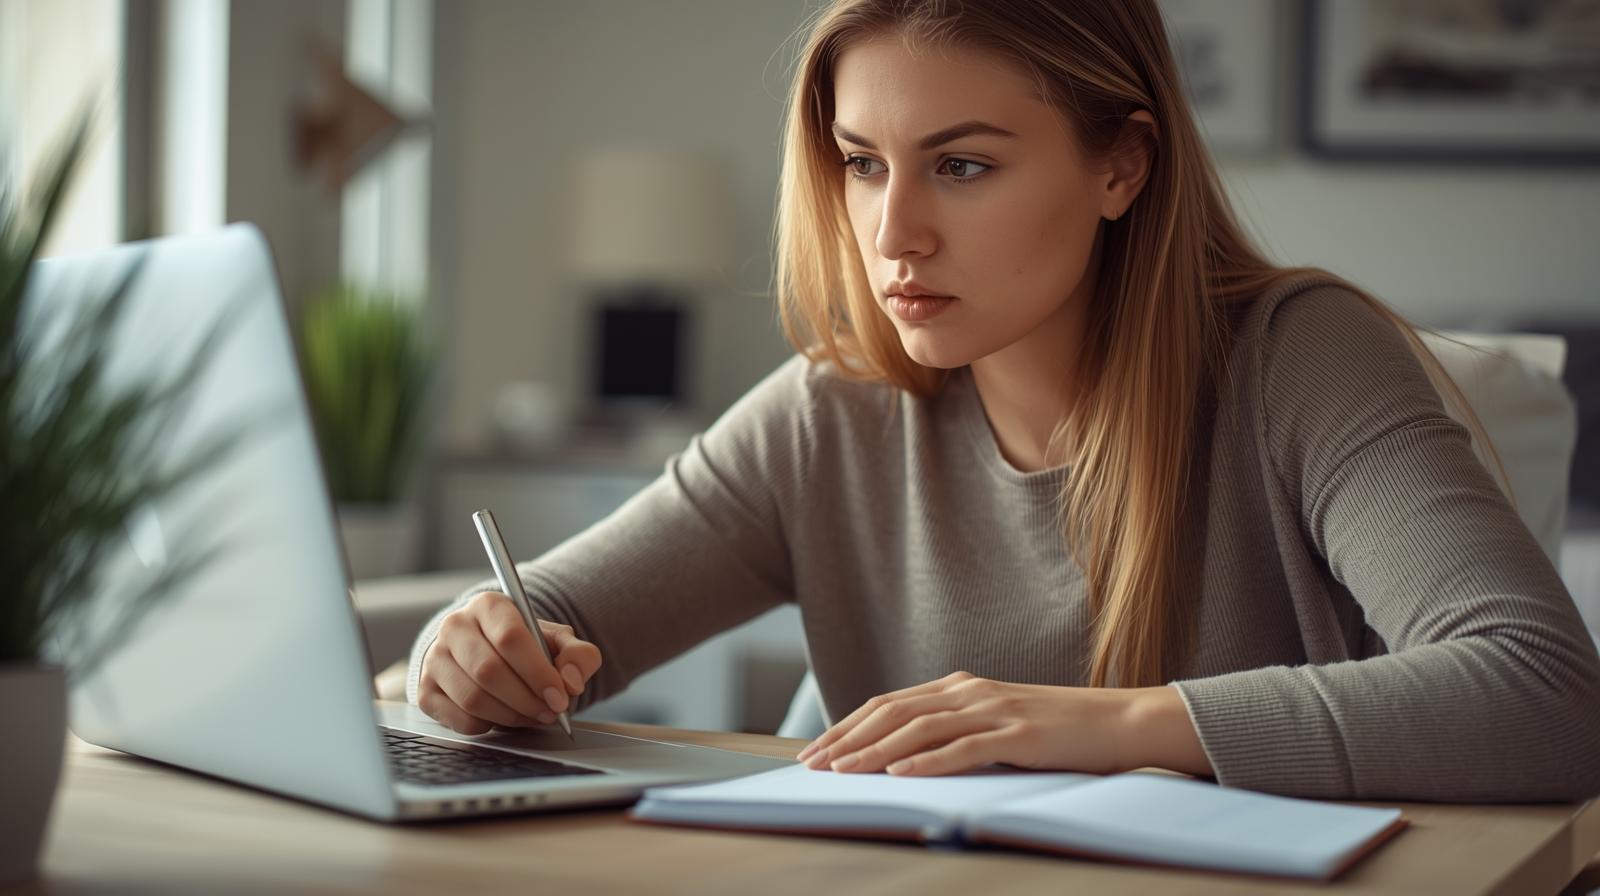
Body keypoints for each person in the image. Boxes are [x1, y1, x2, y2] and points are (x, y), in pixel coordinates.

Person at [407, 0, 1600, 801]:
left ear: (1121, 165)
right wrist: (471, 647)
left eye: (961, 165)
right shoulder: (834, 408)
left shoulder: (1300, 359)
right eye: (863, 163)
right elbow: (552, 609)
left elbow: (1546, 691)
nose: (892, 233)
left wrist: (1106, 725)